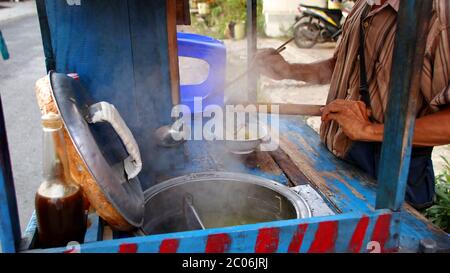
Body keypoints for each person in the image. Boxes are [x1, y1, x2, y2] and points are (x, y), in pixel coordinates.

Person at [253, 0, 450, 210]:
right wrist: (289, 70)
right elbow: (340, 64)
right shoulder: (363, 6)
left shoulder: (437, 13)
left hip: (393, 179)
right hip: (339, 165)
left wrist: (370, 130)